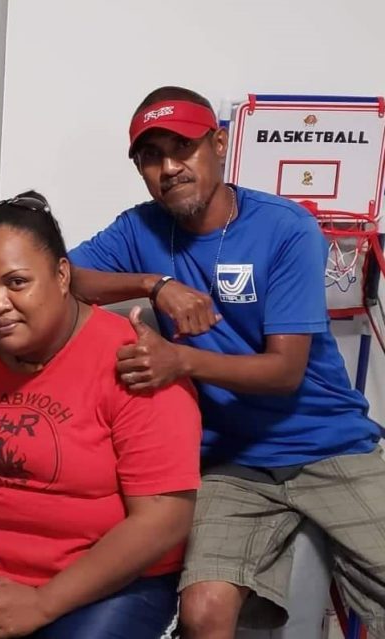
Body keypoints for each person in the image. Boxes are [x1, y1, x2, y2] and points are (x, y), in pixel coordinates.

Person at [68, 86, 385, 638]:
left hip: (329, 443)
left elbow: (283, 371)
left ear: (219, 143)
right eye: (151, 156)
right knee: (202, 611)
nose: (169, 167)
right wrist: (154, 284)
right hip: (230, 460)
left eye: (183, 147)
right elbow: (64, 276)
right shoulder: (140, 227)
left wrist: (179, 361)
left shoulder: (285, 227)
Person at [0, 192, 202, 639]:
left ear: (61, 276)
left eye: (17, 282)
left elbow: (164, 518)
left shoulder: (138, 360)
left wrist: (42, 603)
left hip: (108, 584)